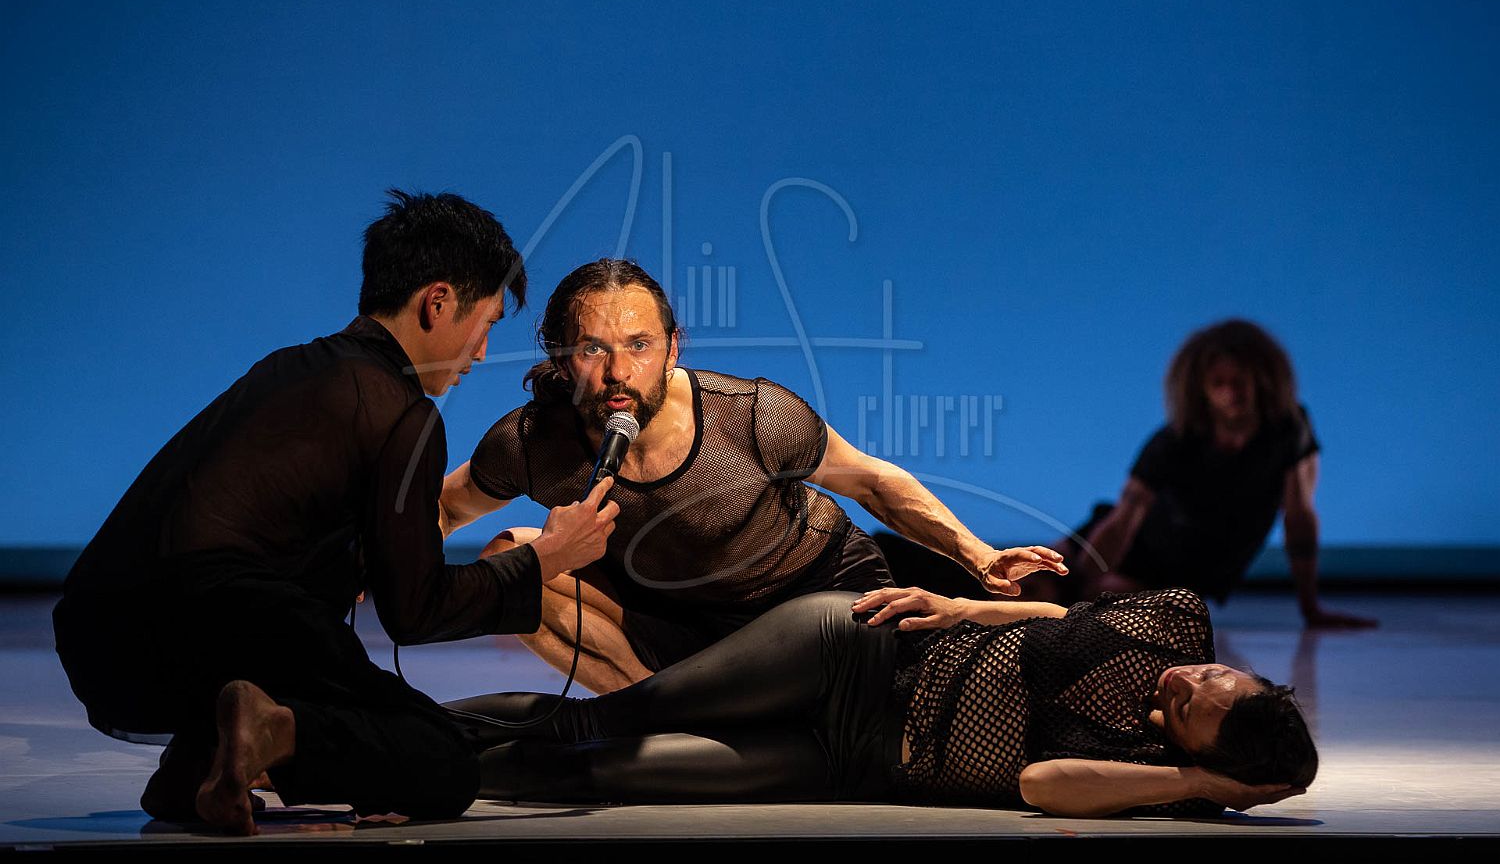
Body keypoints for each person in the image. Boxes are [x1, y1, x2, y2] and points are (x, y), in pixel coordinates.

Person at [51, 191, 620, 835]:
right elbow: (416, 611)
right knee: (443, 760)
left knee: (314, 659)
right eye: (485, 322)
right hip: (214, 624)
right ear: (437, 302)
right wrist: (545, 559)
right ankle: (272, 732)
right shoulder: (401, 411)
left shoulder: (287, 368)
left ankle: (199, 766)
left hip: (97, 640)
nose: (483, 351)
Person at [437, 259, 1068, 693]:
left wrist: (978, 556)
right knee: (511, 558)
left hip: (816, 606)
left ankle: (707, 716)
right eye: (592, 349)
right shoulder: (531, 444)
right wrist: (385, 573)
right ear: (560, 357)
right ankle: (654, 712)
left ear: (672, 348)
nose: (618, 372)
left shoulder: (751, 415)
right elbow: (444, 509)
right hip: (685, 626)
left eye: (639, 345)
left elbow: (871, 481)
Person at [446, 585, 1316, 818]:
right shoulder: (1176, 621)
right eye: (1218, 677)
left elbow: (1041, 784)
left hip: (851, 762)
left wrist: (1198, 788)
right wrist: (961, 605)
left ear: (1201, 757)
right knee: (609, 718)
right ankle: (409, 733)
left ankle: (425, 772)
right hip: (855, 656)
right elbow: (1068, 619)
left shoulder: (1158, 782)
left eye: (1196, 707)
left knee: (612, 775)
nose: (1189, 681)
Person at [890, 319, 1371, 626]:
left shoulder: (1288, 430)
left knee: (1060, 592)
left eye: (1239, 382)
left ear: (1261, 381)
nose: (1231, 394)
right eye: (1219, 383)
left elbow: (1299, 516)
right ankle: (894, 568)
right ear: (1202, 389)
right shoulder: (1176, 441)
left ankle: (905, 578)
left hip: (1183, 568)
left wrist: (1310, 606)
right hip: (1119, 545)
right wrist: (1080, 584)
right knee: (1028, 579)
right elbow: (1124, 519)